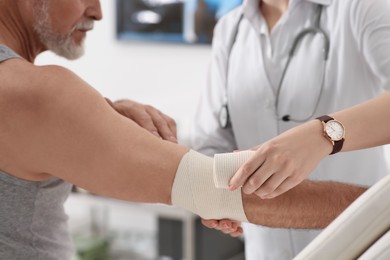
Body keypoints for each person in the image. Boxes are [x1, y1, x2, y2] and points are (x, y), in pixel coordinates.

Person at [2, 0, 362, 259]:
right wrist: (379, 206)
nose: (98, 11)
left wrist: (98, 115)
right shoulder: (40, 96)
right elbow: (214, 189)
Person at [191, 0, 390, 259]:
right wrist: (214, 197)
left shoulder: (361, 8)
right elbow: (210, 144)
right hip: (265, 250)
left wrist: (321, 135)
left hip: (361, 244)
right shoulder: (230, 29)